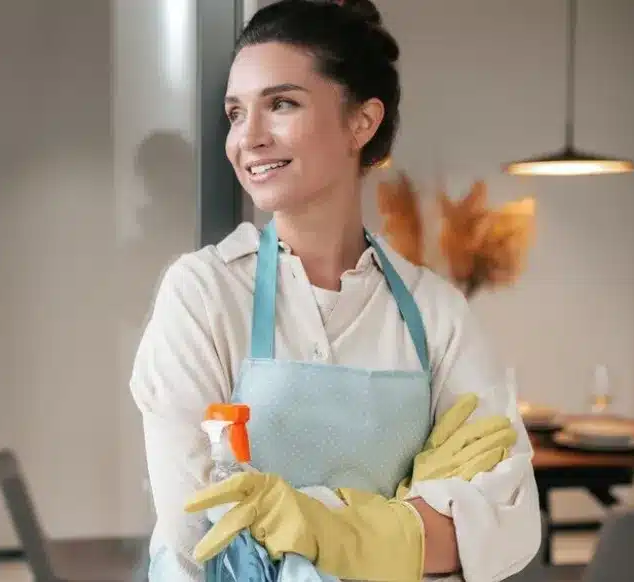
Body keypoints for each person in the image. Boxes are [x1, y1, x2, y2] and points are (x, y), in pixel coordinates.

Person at [129, 1, 541, 581]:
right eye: (236, 112)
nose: (248, 138)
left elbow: (503, 532)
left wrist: (317, 525)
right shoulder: (202, 296)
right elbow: (201, 542)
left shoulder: (436, 314)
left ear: (361, 122)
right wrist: (405, 523)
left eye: (281, 104)